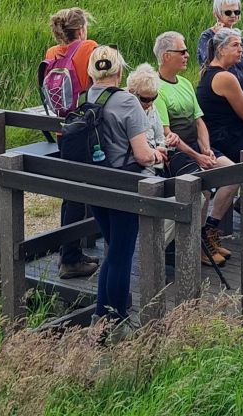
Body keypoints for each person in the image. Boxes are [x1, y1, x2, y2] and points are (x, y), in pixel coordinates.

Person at [86, 46, 164, 322]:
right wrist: (157, 154)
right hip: (123, 184)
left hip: (94, 184)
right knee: (121, 254)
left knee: (113, 250)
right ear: (119, 71)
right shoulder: (127, 102)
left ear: (92, 70)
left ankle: (100, 317)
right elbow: (142, 154)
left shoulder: (86, 97)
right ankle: (116, 320)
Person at [127, 61, 227, 268]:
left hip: (160, 165)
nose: (150, 102)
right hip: (144, 172)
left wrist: (168, 141)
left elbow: (159, 136)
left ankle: (186, 245)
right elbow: (141, 154)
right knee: (186, 199)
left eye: (153, 98)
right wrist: (160, 151)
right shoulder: (129, 111)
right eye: (145, 99)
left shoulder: (151, 107)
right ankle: (158, 252)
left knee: (199, 191)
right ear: (132, 93)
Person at [151, 32, 240, 264]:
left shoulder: (185, 83)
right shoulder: (156, 88)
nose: (188, 55)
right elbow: (167, 133)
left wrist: (207, 149)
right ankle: (195, 245)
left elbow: (199, 119)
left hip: (196, 146)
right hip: (176, 151)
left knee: (233, 175)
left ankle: (208, 231)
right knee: (202, 188)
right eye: (182, 51)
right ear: (166, 56)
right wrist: (198, 156)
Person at [42, 7, 100, 279]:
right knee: (80, 194)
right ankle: (71, 259)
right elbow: (102, 79)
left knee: (71, 192)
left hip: (63, 131)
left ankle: (72, 249)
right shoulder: (88, 47)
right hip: (84, 129)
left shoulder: (53, 53)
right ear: (81, 29)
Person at [198, 28, 243, 168]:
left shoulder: (208, 71)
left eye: (241, 45)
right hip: (225, 138)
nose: (240, 50)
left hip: (217, 134)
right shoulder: (225, 77)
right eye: (235, 45)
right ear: (221, 50)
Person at [196, 0, 243, 99]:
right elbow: (209, 64)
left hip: (241, 90)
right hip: (219, 90)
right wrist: (218, 39)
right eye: (228, 12)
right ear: (216, 13)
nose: (233, 15)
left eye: (236, 12)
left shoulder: (239, 36)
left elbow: (241, 65)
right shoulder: (208, 36)